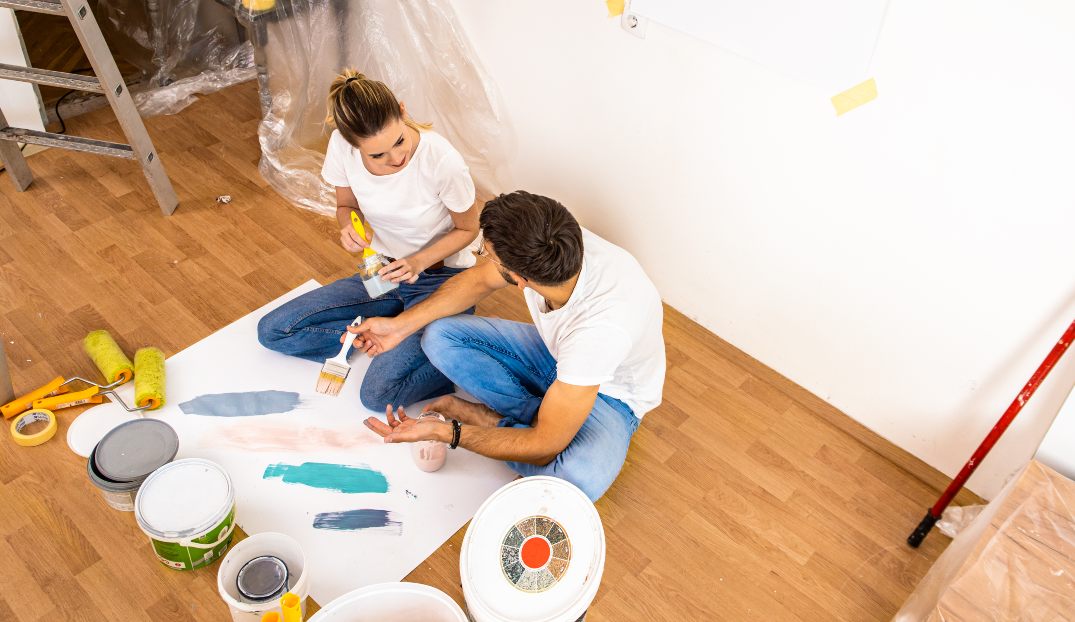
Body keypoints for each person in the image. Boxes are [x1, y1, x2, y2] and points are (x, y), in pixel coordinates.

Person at [354, 191, 666, 501]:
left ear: (519, 278)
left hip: (610, 397)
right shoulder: (554, 240)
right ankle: (531, 421)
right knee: (439, 336)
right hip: (555, 353)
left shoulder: (600, 332)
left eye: (486, 254)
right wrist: (398, 326)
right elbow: (478, 281)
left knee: (573, 482)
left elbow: (545, 450)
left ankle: (496, 420)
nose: (483, 259)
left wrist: (448, 433)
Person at [257, 69, 480, 411]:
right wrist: (349, 227)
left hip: (439, 280)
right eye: (377, 155)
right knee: (273, 331)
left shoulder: (441, 161)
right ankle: (386, 333)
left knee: (377, 395)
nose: (396, 158)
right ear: (351, 143)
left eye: (400, 142)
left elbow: (469, 230)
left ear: (403, 112)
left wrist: (418, 261)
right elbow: (346, 206)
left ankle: (452, 345)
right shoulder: (341, 148)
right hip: (383, 271)